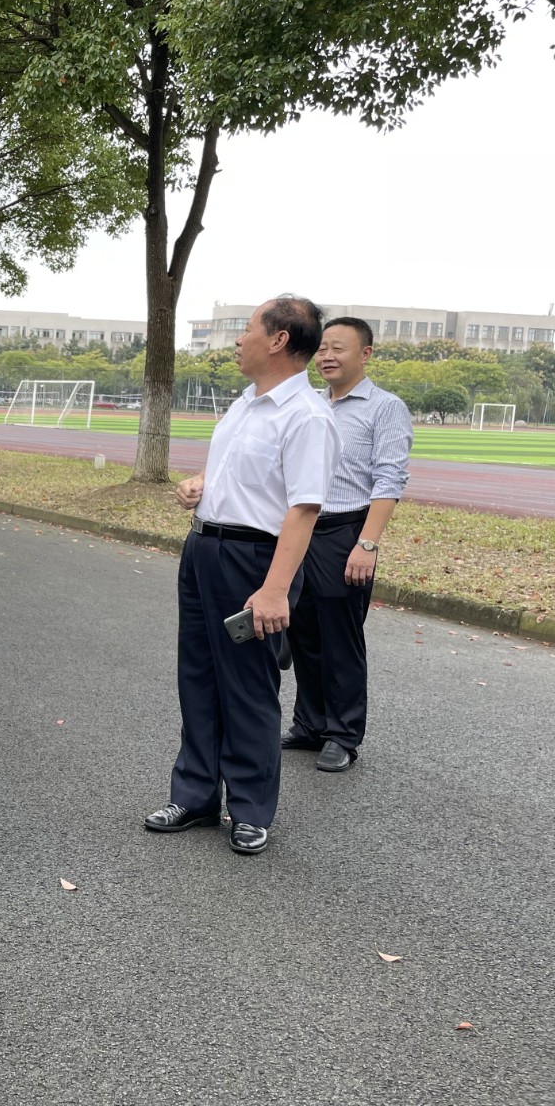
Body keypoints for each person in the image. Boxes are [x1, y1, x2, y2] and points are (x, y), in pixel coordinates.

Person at [145, 294, 341, 856]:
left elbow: (304, 509)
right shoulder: (245, 404)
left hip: (254, 562)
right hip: (204, 550)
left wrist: (275, 588)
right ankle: (196, 796)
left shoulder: (307, 417)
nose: (238, 339)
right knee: (198, 676)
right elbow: (245, 477)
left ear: (279, 339)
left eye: (248, 328)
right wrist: (200, 485)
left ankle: (251, 809)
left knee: (249, 687)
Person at [283, 317, 412, 772]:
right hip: (301, 529)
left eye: (338, 348)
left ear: (366, 354)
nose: (327, 356)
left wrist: (367, 543)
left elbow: (390, 478)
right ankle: (309, 724)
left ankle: (343, 734)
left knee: (341, 638)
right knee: (302, 632)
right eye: (322, 348)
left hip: (346, 532)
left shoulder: (385, 408)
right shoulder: (311, 404)